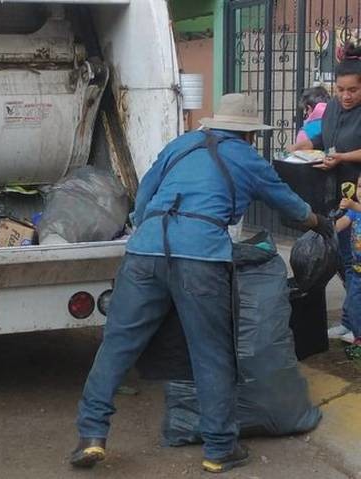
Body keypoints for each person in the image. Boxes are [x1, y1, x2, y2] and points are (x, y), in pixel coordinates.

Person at [69, 93, 333, 474]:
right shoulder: (247, 158)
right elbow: (288, 204)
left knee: (117, 345)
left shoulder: (179, 145)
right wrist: (318, 223)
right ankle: (220, 448)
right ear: (249, 134)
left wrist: (154, 230)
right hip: (201, 258)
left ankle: (91, 436)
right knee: (211, 352)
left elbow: (143, 200)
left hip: (145, 252)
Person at [291, 44, 361, 343]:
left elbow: (344, 150)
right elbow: (325, 137)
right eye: (341, 89)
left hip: (357, 200)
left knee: (353, 263)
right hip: (335, 193)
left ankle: (354, 324)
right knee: (345, 260)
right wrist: (303, 147)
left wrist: (343, 158)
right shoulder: (333, 107)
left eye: (354, 90)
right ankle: (350, 321)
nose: (346, 96)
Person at [334, 173, 361, 356]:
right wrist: (327, 227)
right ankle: (358, 337)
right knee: (353, 303)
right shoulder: (354, 210)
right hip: (357, 267)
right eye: (359, 186)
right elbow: (343, 223)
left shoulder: (356, 208)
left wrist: (354, 205)